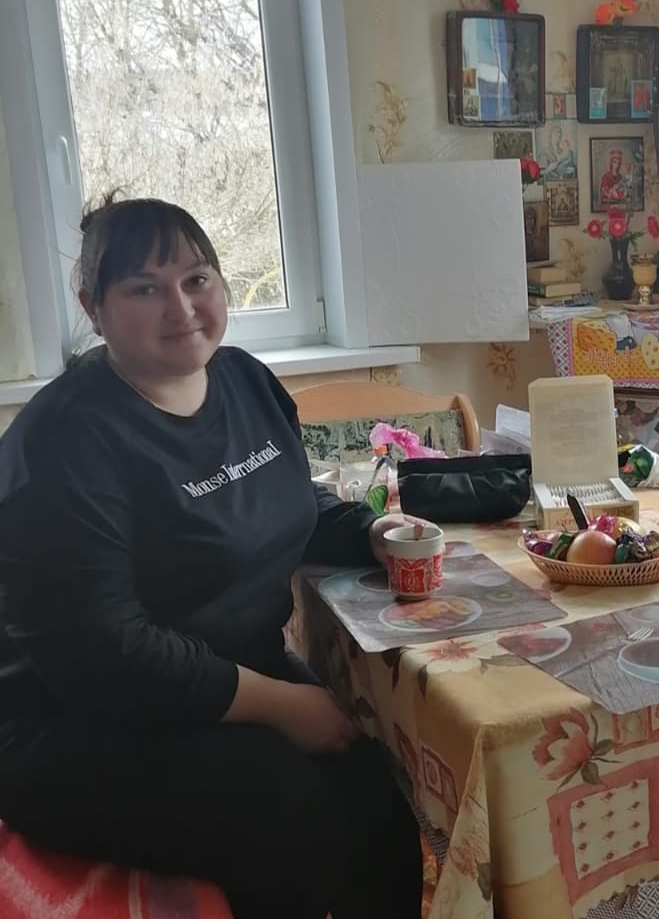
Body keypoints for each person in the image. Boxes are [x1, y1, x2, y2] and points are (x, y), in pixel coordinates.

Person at [0, 196, 424, 919]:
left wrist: (371, 531)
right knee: (298, 826)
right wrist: (283, 705)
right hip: (75, 720)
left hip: (230, 673)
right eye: (144, 289)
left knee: (385, 808)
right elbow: (105, 651)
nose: (181, 308)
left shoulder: (244, 380)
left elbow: (281, 500)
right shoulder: (61, 442)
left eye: (197, 279)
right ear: (93, 309)